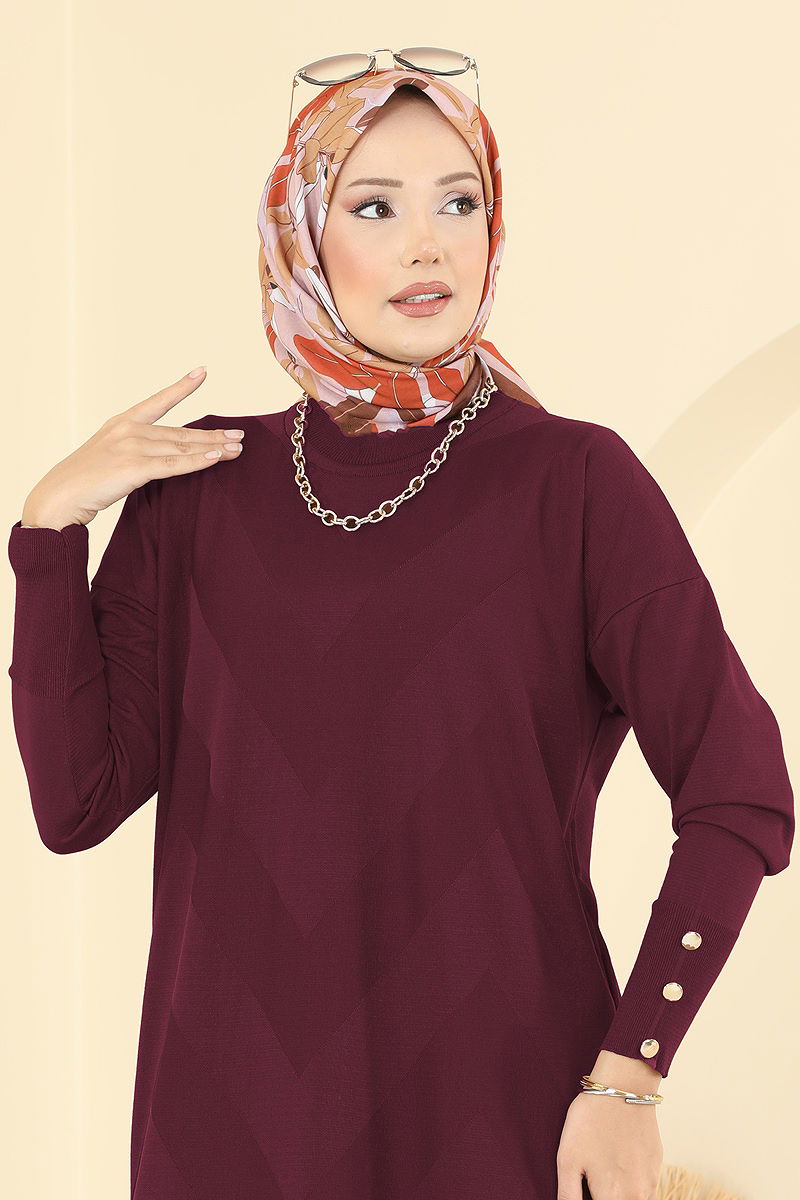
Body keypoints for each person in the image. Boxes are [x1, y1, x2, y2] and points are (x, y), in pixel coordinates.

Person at [7, 63, 794, 1200]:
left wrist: (630, 1073)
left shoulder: (573, 483)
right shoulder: (196, 493)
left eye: (458, 201)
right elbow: (75, 805)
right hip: (225, 1133)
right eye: (374, 206)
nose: (428, 244)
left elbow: (739, 791)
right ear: (300, 238)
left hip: (496, 1123)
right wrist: (48, 533)